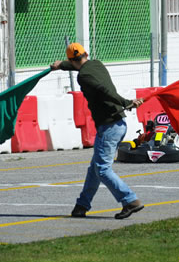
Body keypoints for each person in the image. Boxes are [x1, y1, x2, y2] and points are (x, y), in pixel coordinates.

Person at [50, 43, 144, 219]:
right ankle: (81, 206)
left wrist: (126, 102)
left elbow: (104, 90)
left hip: (109, 126)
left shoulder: (83, 77)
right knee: (95, 168)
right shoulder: (96, 64)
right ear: (86, 53)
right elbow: (78, 65)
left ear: (71, 59)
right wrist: (61, 65)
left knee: (102, 169)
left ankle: (130, 200)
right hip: (118, 124)